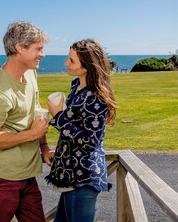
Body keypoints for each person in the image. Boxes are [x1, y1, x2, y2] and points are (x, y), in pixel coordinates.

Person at [0, 20, 51, 222]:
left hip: (26, 175)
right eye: (38, 49)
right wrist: (32, 134)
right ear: (19, 48)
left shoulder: (31, 73)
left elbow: (36, 112)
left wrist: (43, 147)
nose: (43, 54)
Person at [45, 39, 117, 222]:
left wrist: (59, 116)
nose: (65, 63)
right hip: (70, 175)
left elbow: (90, 141)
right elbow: (74, 126)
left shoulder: (96, 97)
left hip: (83, 177)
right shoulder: (76, 85)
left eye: (71, 60)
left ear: (86, 67)